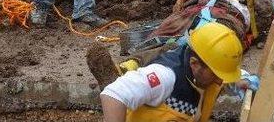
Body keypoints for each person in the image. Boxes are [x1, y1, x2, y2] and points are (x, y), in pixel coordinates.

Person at [100, 22, 249, 121]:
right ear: (195, 64)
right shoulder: (164, 76)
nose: (219, 81)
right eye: (217, 75)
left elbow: (229, 75)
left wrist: (242, 82)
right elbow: (113, 94)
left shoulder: (209, 69)